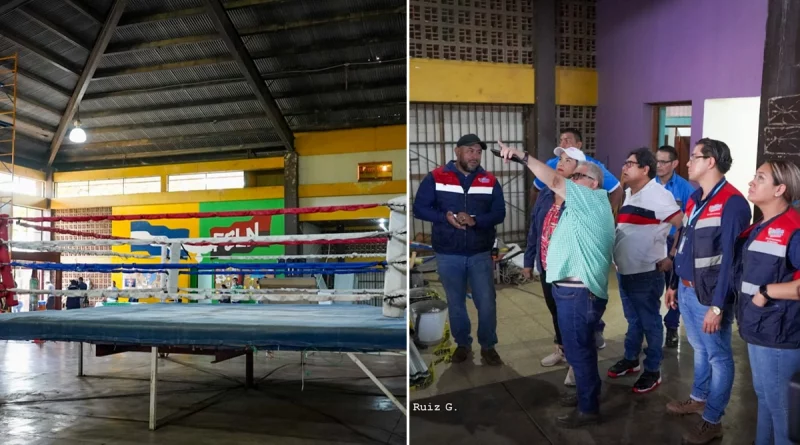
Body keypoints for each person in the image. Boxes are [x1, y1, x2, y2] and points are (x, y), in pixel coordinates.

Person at [500, 140, 615, 428]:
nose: (570, 179)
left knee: (577, 349)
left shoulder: (593, 199)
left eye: (577, 176)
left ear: (593, 183)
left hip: (578, 291)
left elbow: (552, 179)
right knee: (581, 348)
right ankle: (588, 394)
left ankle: (589, 409)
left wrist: (522, 156)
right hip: (567, 287)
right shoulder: (570, 204)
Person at [664, 138, 751, 444]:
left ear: (711, 161)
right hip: (687, 290)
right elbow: (684, 243)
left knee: (718, 356)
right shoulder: (695, 198)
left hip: (710, 295)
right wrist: (674, 283)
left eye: (695, 157)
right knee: (700, 350)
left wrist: (717, 306)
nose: (688, 162)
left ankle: (713, 418)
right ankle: (698, 398)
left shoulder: (733, 203)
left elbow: (731, 258)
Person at [413, 133, 506, 366]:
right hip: (448, 253)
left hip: (479, 253)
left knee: (486, 303)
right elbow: (420, 208)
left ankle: (488, 345)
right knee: (455, 303)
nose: (475, 156)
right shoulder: (436, 177)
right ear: (457, 151)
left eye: (478, 151)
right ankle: (462, 344)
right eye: (470, 151)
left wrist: (476, 220)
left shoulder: (490, 181)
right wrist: (444, 217)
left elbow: (499, 214)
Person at [524, 146, 604, 387]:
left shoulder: (583, 200)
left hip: (573, 274)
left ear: (579, 171)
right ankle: (562, 350)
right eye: (560, 158)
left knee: (577, 321)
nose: (561, 162)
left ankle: (577, 365)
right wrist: (529, 261)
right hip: (548, 268)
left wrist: (522, 157)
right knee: (556, 313)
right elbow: (535, 230)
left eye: (569, 161)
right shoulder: (547, 195)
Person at [734, 160, 800, 445]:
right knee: (766, 398)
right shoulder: (762, 225)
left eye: (760, 178)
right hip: (759, 327)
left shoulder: (793, 229)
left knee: (782, 411)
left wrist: (766, 292)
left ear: (780, 189)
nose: (751, 182)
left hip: (779, 334)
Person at [608, 148, 683, 394]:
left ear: (644, 169)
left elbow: (682, 226)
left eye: (630, 163)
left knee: (650, 321)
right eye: (625, 162)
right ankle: (631, 360)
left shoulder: (659, 196)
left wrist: (671, 256)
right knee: (633, 319)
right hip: (625, 270)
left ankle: (653, 369)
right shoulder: (628, 193)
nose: (624, 167)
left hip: (646, 272)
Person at [656, 145, 696, 347]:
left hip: (674, 241)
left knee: (674, 286)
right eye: (657, 161)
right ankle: (652, 328)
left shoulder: (685, 189)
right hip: (652, 242)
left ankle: (671, 327)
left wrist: (673, 254)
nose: (659, 165)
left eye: (664, 162)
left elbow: (687, 223)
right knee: (651, 287)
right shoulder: (649, 185)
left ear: (674, 164)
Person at [532, 128, 623, 211]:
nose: (563, 144)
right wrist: (537, 213)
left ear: (578, 145)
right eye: (561, 141)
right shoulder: (552, 163)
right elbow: (535, 189)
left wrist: (604, 215)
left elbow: (617, 190)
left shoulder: (593, 166)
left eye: (567, 141)